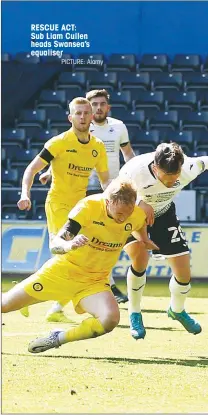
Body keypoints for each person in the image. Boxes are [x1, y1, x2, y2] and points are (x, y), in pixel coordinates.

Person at [3, 179, 157, 353]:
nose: (123, 218)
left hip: (95, 281)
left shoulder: (135, 214)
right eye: (120, 213)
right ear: (108, 202)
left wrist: (144, 240)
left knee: (110, 319)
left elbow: (138, 223)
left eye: (127, 214)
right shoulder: (88, 207)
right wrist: (70, 245)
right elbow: (56, 244)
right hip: (62, 272)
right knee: (4, 305)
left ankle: (57, 338)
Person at [119, 142, 208, 339]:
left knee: (183, 273)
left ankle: (177, 310)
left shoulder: (188, 168)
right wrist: (139, 203)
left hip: (164, 214)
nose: (173, 182)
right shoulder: (134, 170)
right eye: (167, 178)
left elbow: (205, 162)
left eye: (176, 177)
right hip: (132, 214)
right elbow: (115, 192)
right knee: (140, 259)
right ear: (155, 168)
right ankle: (135, 313)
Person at [17, 97, 111, 322]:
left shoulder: (97, 147)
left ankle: (37, 300)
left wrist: (109, 205)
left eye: (86, 113)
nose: (82, 117)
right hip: (58, 204)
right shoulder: (58, 142)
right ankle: (43, 303)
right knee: (67, 253)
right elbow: (31, 169)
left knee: (80, 257)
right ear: (70, 117)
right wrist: (24, 194)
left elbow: (106, 182)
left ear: (92, 117)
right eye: (77, 113)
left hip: (81, 207)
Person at [42, 89, 136, 311]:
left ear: (107, 107)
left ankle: (94, 289)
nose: (96, 109)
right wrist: (50, 172)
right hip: (86, 191)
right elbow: (63, 153)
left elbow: (128, 156)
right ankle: (99, 288)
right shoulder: (80, 128)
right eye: (93, 105)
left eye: (101, 104)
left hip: (109, 192)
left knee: (96, 245)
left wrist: (130, 180)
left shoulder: (118, 127)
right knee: (79, 247)